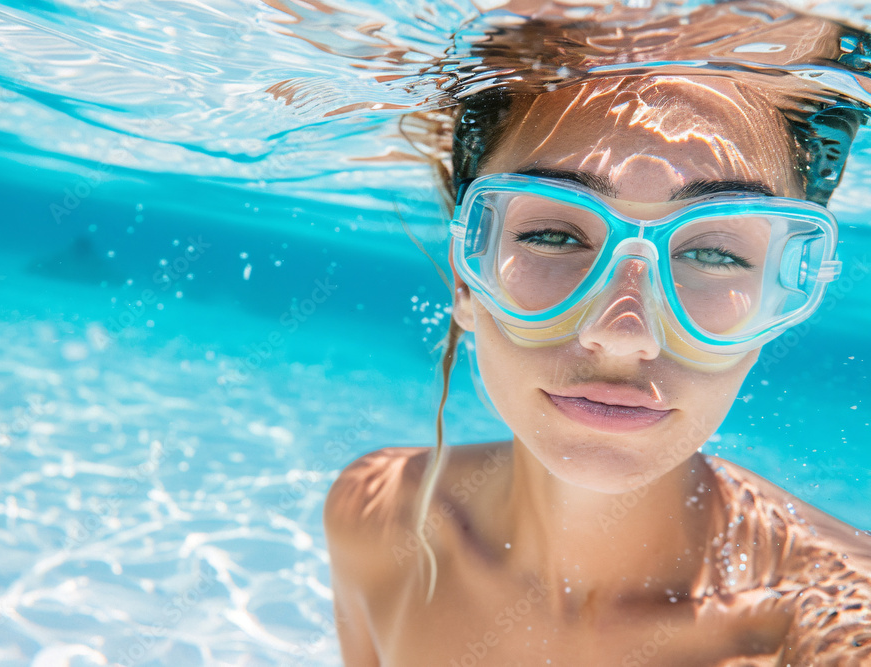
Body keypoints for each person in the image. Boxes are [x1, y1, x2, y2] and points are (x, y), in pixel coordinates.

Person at [324, 1, 871, 665]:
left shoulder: (829, 629)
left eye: (716, 252)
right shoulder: (374, 521)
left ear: (777, 296)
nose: (624, 335)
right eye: (553, 235)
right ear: (466, 278)